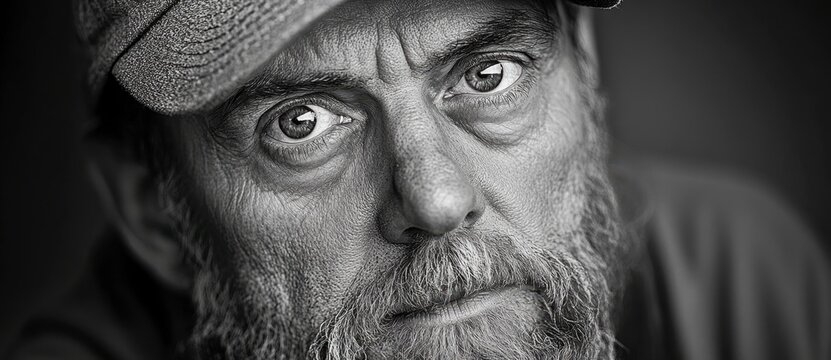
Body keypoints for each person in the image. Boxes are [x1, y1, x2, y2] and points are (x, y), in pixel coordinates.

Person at [6, 0, 830, 359]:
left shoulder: (731, 283)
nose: (435, 200)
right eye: (300, 124)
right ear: (154, 211)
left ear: (586, 73)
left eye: (489, 74)